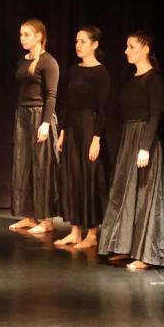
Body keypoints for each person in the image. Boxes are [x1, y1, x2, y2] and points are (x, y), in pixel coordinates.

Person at [98, 31, 164, 270]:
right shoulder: (133, 79)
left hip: (144, 140)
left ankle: (148, 253)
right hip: (129, 139)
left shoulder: (153, 79)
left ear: (145, 48)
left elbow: (155, 115)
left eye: (131, 47)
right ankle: (126, 247)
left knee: (145, 195)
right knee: (126, 193)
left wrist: (145, 147)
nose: (126, 51)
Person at [54, 26, 110, 249]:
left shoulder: (101, 72)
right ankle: (75, 230)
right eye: (76, 41)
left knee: (90, 178)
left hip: (89, 128)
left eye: (83, 41)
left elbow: (103, 109)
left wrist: (96, 138)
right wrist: (62, 133)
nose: (78, 45)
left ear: (94, 44)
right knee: (73, 178)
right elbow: (66, 104)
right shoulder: (74, 70)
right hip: (72, 129)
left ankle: (93, 234)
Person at [8, 19, 59, 234]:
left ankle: (46, 220)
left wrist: (45, 123)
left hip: (40, 114)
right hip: (23, 115)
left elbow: (51, 95)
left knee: (42, 167)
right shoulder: (22, 60)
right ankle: (28, 216)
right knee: (23, 164)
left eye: (27, 34)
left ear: (39, 36)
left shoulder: (49, 62)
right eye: (21, 34)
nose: (22, 38)